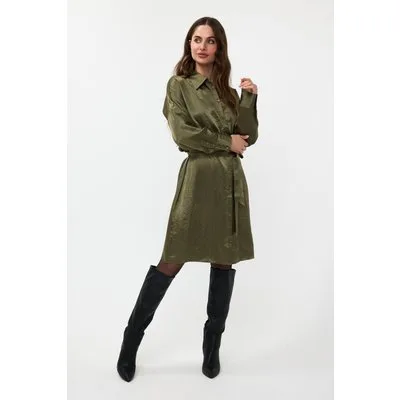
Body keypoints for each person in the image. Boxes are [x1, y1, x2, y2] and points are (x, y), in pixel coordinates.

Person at [117, 16, 259, 382]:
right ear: (189, 44)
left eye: (210, 41)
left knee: (224, 262)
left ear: (219, 47)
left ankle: (212, 348)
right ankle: (131, 340)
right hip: (198, 180)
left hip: (229, 183)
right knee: (171, 260)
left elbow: (247, 137)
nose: (202, 46)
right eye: (197, 39)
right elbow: (183, 134)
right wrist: (225, 142)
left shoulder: (228, 92)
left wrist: (249, 99)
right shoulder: (178, 85)